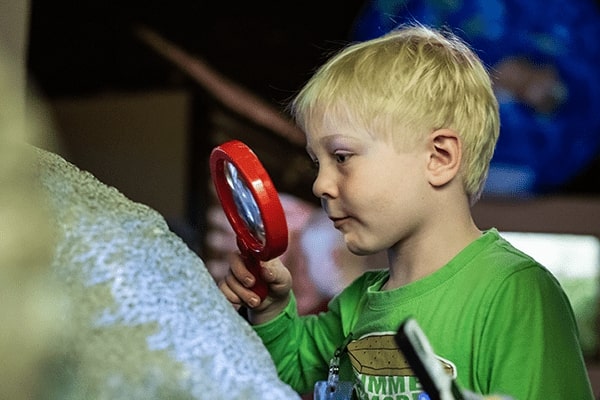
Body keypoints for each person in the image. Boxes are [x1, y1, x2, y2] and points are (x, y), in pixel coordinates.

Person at [218, 24, 593, 399]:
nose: (320, 185)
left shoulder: (517, 293)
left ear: (439, 157)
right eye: (318, 163)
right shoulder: (358, 300)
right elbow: (290, 371)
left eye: (342, 157)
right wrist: (270, 310)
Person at [350, 0, 600, 196]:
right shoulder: (401, 10)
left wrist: (549, 91)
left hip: (526, 176)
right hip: (416, 166)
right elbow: (365, 78)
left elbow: (583, 95)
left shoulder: (569, 12)